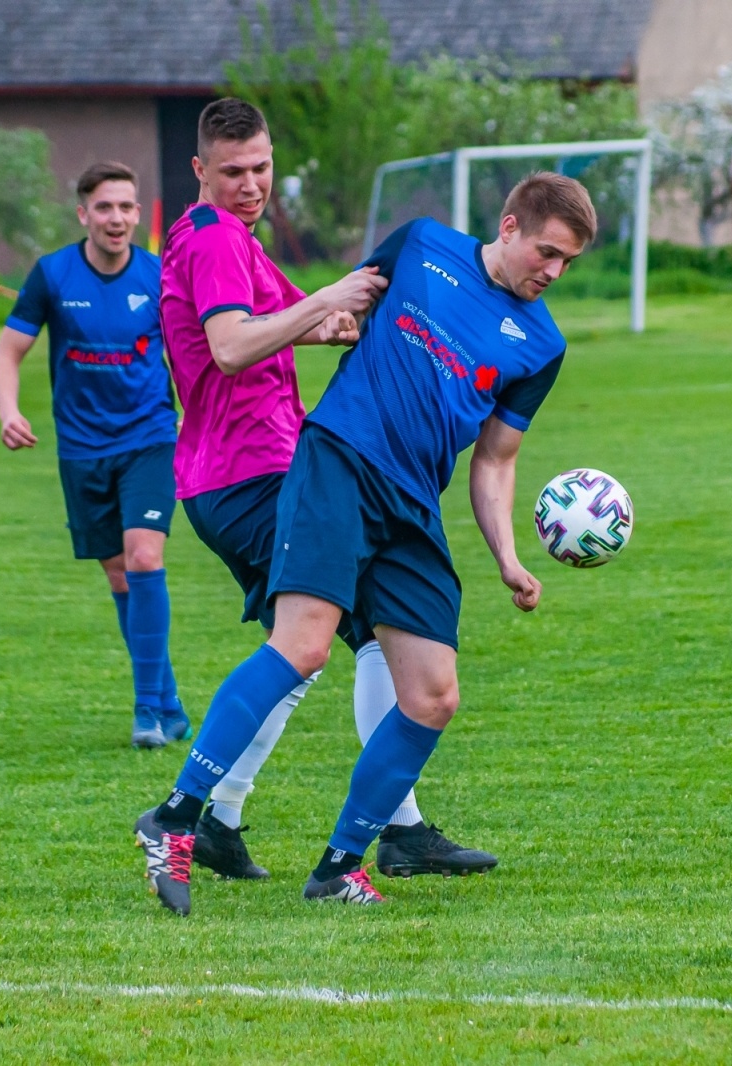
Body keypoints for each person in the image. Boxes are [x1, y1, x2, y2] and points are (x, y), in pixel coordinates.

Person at [147, 98, 497, 888]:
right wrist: (327, 299)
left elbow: (275, 323)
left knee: (316, 643)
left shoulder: (230, 240)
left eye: (261, 167)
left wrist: (332, 322)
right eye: (232, 171)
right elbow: (231, 345)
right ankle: (383, 832)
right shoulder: (213, 236)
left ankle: (223, 821)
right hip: (250, 474)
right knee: (359, 631)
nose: (250, 184)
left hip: (248, 471)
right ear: (199, 170)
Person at [0, 162, 187, 748]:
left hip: (150, 437)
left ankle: (147, 711)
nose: (117, 218)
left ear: (138, 214)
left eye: (126, 207)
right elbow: (8, 353)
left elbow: (192, 352)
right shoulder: (52, 275)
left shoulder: (158, 276)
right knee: (120, 572)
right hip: (82, 448)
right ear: (84, 214)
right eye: (105, 207)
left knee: (145, 556)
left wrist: (197, 412)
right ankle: (170, 703)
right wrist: (8, 411)